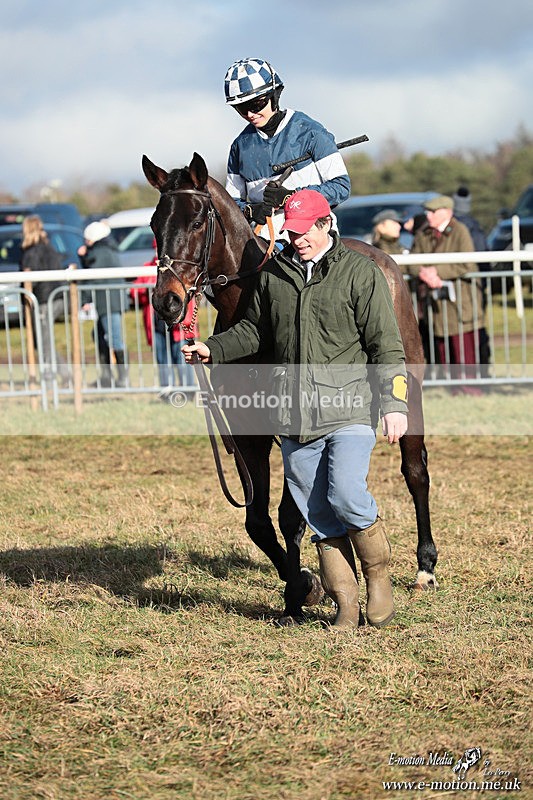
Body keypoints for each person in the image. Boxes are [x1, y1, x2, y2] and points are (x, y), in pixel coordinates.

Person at [183, 189, 408, 630]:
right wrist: (212, 349)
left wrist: (395, 403)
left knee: (344, 494)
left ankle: (378, 577)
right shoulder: (275, 275)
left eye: (304, 232)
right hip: (294, 415)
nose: (297, 240)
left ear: (326, 225)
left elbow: (387, 344)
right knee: (317, 512)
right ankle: (345, 604)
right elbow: (253, 331)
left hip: (348, 408)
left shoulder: (360, 274)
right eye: (291, 233)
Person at [224, 57, 350, 242]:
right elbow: (230, 202)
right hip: (263, 239)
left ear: (275, 94)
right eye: (241, 108)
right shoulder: (239, 146)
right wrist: (250, 210)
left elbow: (341, 187)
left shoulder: (311, 132)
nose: (250, 114)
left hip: (314, 235)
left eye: (256, 105)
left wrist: (292, 197)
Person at [407, 195, 484, 396]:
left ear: (447, 212)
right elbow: (411, 261)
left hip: (461, 301)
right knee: (443, 347)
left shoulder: (460, 231)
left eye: (433, 211)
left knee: (463, 347)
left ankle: (469, 388)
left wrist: (437, 272)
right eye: (428, 212)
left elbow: (467, 262)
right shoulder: (424, 233)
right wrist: (424, 272)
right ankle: (454, 388)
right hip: (437, 303)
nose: (428, 215)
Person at [129, 241, 197, 400]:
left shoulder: (180, 267)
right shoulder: (148, 267)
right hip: (156, 323)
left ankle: (188, 390)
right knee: (163, 359)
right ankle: (167, 391)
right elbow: (134, 291)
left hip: (178, 324)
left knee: (182, 357)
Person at [20, 215, 69, 385]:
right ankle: (63, 373)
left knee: (43, 340)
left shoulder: (32, 251)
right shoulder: (49, 247)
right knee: (44, 338)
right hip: (57, 296)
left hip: (44, 299)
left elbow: (29, 279)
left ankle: (49, 377)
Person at [79, 220, 128, 388]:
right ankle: (107, 376)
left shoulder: (99, 253)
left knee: (115, 339)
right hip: (108, 302)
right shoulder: (106, 250)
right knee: (99, 335)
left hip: (109, 303)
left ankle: (122, 378)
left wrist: (84, 299)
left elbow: (91, 277)